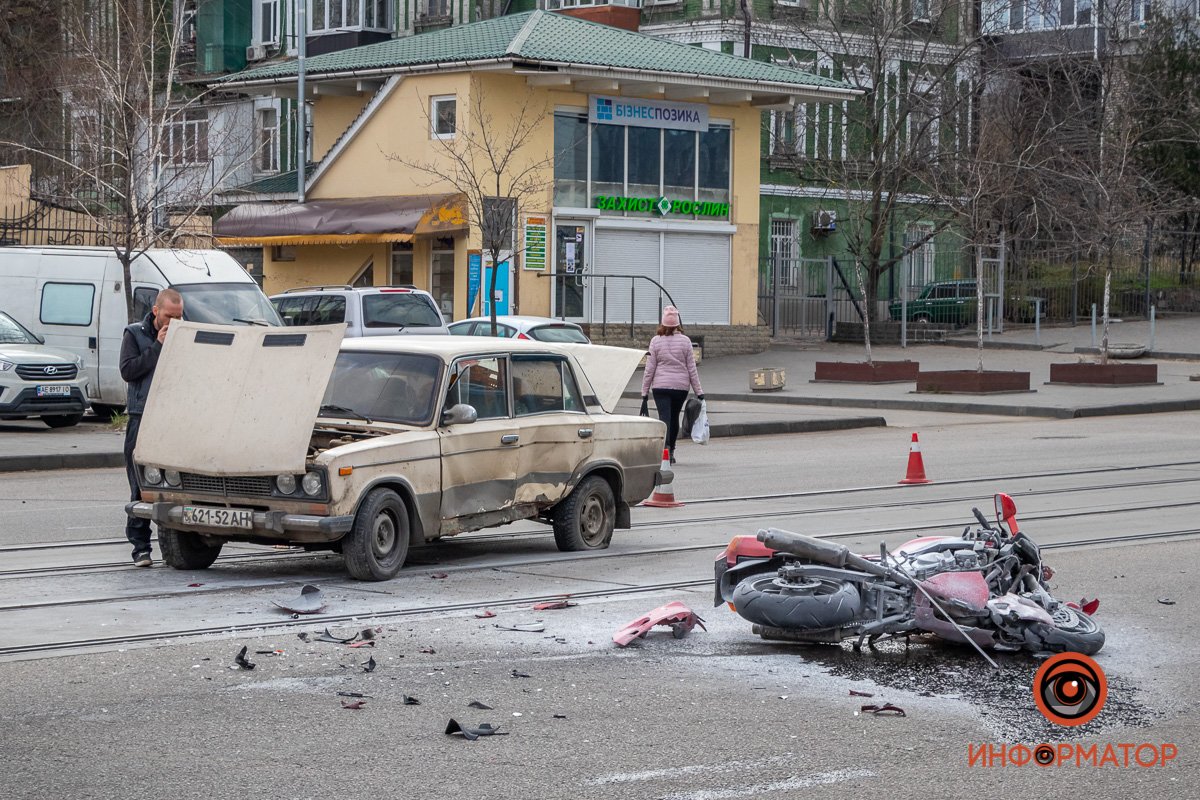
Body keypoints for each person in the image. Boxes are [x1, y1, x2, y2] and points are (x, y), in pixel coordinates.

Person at [119, 287, 183, 567]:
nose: (174, 321)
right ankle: (141, 548)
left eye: (179, 316)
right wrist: (157, 346)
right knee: (140, 486)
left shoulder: (185, 333)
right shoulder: (134, 334)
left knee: (176, 486)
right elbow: (128, 371)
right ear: (156, 311)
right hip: (142, 417)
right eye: (170, 316)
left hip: (173, 417)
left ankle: (177, 545)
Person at [640, 305, 703, 465]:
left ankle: (665, 449)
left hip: (660, 387)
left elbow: (649, 369)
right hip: (680, 387)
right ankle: (672, 450)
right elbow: (692, 369)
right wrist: (699, 392)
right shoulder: (686, 341)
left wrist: (644, 392)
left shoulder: (655, 341)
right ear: (677, 324)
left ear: (663, 323)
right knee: (674, 418)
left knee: (664, 418)